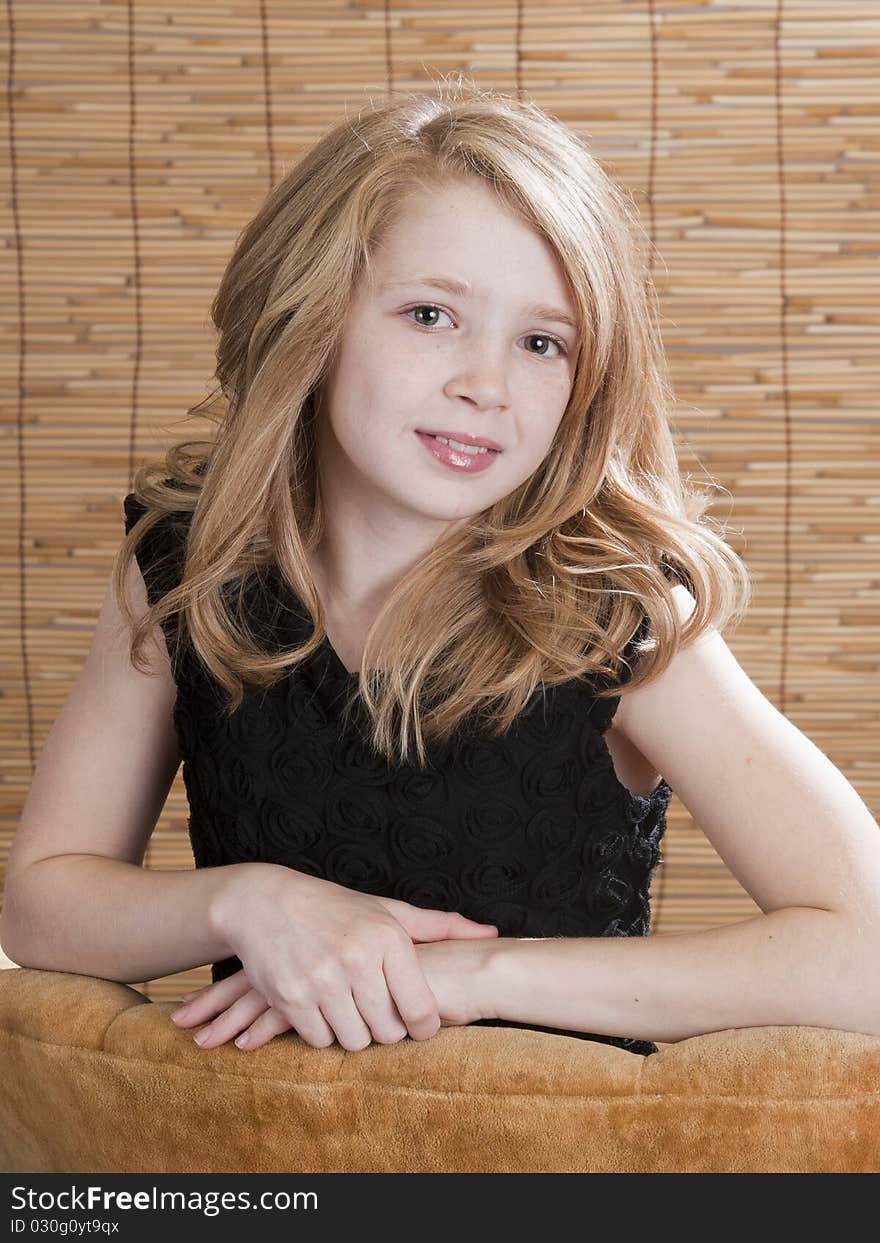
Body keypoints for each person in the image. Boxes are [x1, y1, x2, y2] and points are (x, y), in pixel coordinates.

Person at [6, 83, 879, 1062]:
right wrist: (247, 902)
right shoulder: (191, 565)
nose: (486, 383)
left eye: (541, 342)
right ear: (311, 320)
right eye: (430, 314)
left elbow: (865, 953)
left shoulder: (617, 617)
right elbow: (43, 910)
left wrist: (460, 974)